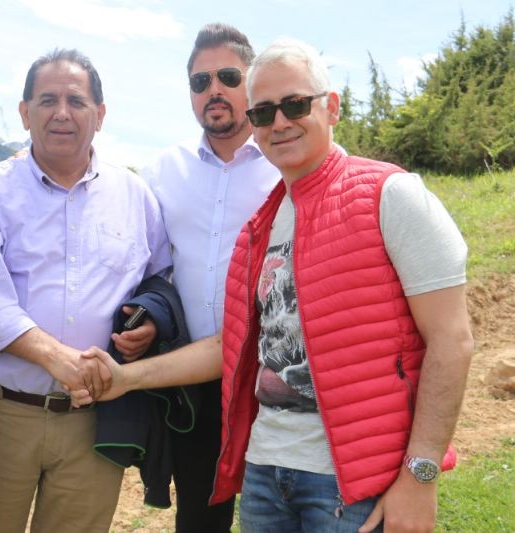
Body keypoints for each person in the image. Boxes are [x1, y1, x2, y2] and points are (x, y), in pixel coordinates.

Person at [77, 38, 474, 532]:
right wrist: (127, 378)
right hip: (266, 475)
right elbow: (230, 346)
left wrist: (420, 474)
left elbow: (452, 341)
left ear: (331, 107)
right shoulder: (260, 227)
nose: (280, 122)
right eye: (264, 112)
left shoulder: (391, 196)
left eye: (295, 104)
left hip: (351, 484)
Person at [0, 48, 172, 533]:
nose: (62, 113)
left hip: (96, 421)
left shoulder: (135, 196)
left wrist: (151, 322)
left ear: (101, 114)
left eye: (77, 101)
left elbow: (160, 280)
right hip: (1, 414)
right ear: (25, 112)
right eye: (47, 100)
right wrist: (59, 360)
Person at [139, 22, 279, 532]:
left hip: (273, 376)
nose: (213, 90)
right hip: (194, 379)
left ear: (252, 82)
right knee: (199, 515)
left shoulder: (285, 160)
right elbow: (153, 268)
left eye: (228, 77)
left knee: (282, 510)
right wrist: (149, 319)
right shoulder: (164, 171)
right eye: (201, 81)